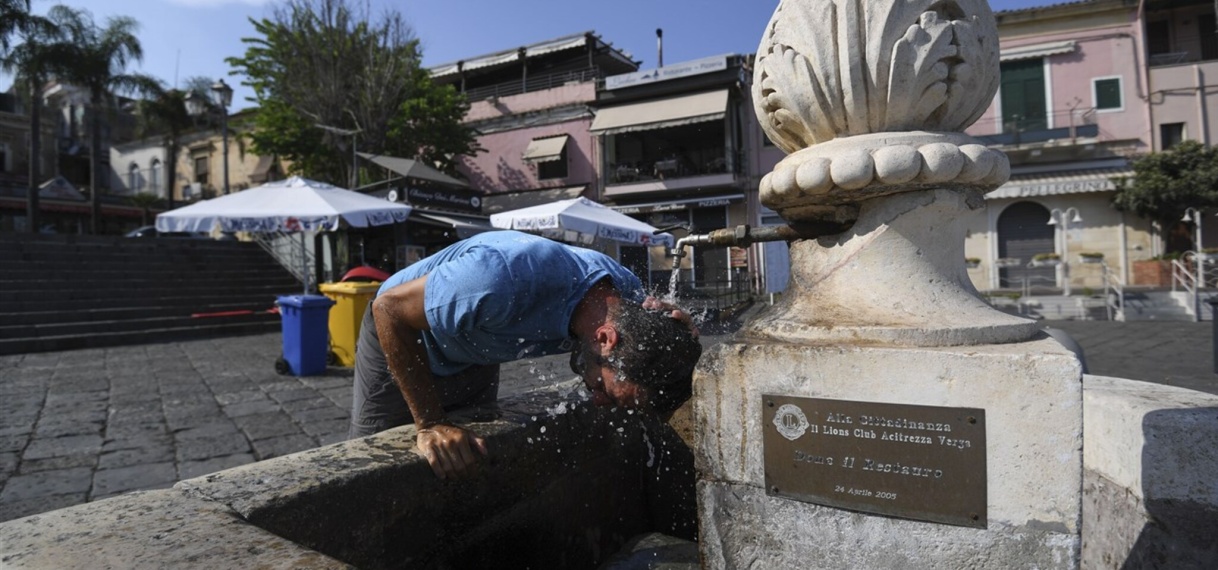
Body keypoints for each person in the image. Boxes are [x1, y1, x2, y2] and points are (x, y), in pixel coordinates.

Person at [348, 230, 703, 479]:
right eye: (607, 391)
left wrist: (679, 331)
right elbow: (388, 310)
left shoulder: (624, 295)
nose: (598, 401)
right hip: (404, 336)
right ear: (605, 339)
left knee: (466, 462)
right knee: (376, 461)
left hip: (477, 352)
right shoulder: (499, 280)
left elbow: (660, 330)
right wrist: (428, 423)